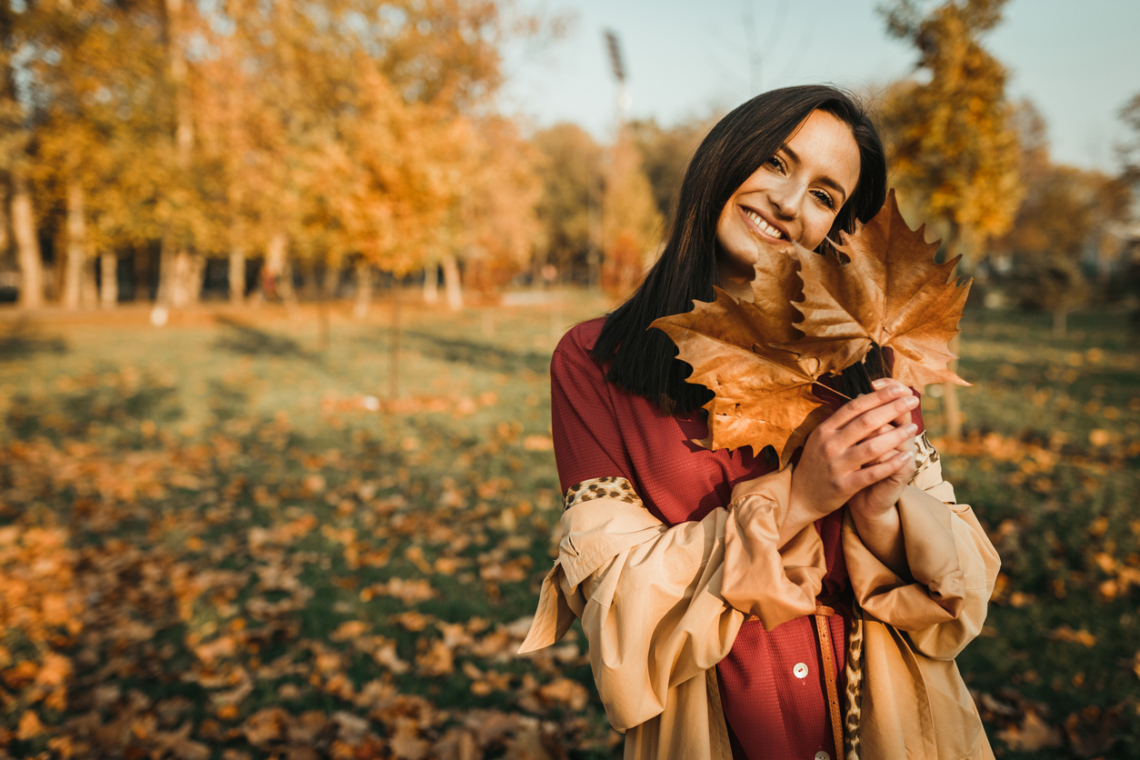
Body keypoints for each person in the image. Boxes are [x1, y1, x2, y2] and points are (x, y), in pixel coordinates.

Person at [519, 85, 1000, 760]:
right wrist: (798, 499)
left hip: (891, 727)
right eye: (776, 161)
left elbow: (961, 596)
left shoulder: (868, 358)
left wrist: (884, 515)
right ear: (725, 156)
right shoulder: (596, 362)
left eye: (824, 195)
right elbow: (619, 611)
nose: (789, 201)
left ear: (838, 228)